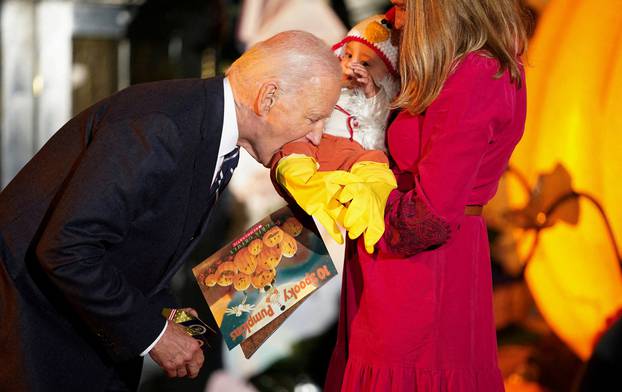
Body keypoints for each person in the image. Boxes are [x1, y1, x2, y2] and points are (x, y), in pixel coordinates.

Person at [0, 30, 340, 392]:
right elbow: (67, 249)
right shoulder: (163, 127)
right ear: (268, 97)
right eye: (313, 118)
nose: (317, 136)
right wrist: (154, 334)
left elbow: (133, 242)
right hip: (34, 330)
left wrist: (168, 315)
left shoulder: (208, 126)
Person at [324, 0, 530, 390]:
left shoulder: (477, 73)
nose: (390, 17)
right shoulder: (443, 65)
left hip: (422, 273)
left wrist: (347, 181)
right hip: (389, 257)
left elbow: (427, 220)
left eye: (402, 6)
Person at [271, 14, 400, 253]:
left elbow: (379, 127)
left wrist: (371, 92)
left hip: (351, 158)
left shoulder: (381, 100)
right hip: (317, 145)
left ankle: (366, 193)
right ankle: (300, 176)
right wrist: (333, 83)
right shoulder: (330, 85)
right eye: (348, 55)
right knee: (295, 147)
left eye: (367, 63)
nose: (352, 65)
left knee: (375, 161)